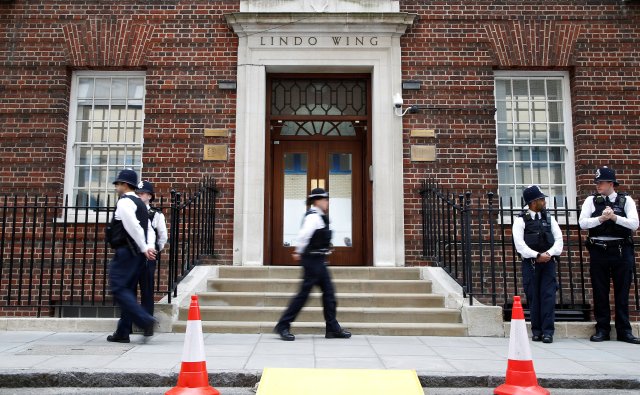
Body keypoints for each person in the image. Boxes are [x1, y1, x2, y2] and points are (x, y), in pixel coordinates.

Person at [273, 188, 351, 341]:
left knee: (329, 295)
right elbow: (304, 236)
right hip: (312, 261)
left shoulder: (321, 217)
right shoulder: (313, 217)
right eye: (324, 199)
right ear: (317, 200)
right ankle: (283, 325)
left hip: (319, 261)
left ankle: (332, 328)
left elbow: (319, 239)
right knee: (303, 296)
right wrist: (298, 251)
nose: (327, 202)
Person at [579, 167, 640, 344]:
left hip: (621, 250)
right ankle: (602, 329)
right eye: (597, 182)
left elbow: (634, 224)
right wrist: (600, 219)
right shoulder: (591, 201)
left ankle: (624, 331)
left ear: (611, 183)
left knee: (622, 292)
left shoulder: (625, 200)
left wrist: (614, 217)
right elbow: (583, 223)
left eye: (601, 182)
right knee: (600, 291)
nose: (598, 185)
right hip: (599, 250)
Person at [106, 169, 157, 343]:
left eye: (118, 184)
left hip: (126, 252)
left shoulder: (125, 202)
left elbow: (132, 226)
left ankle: (145, 320)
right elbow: (149, 229)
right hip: (137, 255)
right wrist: (148, 247)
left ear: (125, 185)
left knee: (118, 287)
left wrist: (144, 247)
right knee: (127, 290)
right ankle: (122, 332)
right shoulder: (140, 204)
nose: (117, 187)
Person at [512, 185, 563, 344]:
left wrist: (549, 254)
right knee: (534, 297)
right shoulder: (521, 220)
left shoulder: (550, 218)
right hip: (531, 264)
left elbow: (559, 240)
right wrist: (536, 255)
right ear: (533, 202)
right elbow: (520, 245)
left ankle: (548, 332)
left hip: (548, 262)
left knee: (548, 297)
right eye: (541, 199)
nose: (544, 201)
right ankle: (536, 331)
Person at [135, 180, 168, 337]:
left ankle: (148, 325)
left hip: (149, 256)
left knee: (147, 290)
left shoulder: (156, 214)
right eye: (138, 193)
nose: (139, 196)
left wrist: (155, 250)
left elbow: (163, 236)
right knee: (129, 290)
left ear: (149, 196)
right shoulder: (131, 211)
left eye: (142, 193)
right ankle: (127, 324)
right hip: (132, 255)